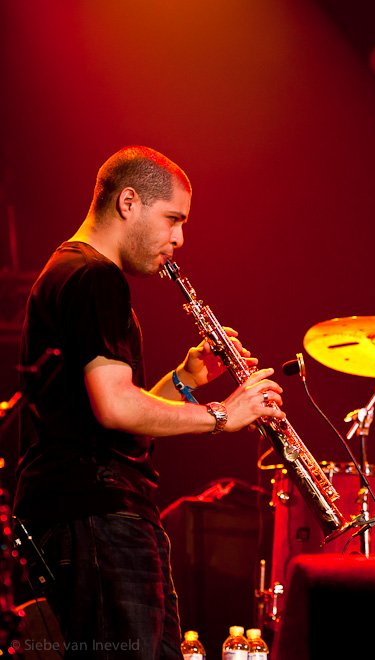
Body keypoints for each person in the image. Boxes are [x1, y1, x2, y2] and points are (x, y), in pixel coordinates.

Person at [14, 146, 285, 658]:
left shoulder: (72, 272)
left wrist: (185, 380)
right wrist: (226, 415)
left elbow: (118, 422)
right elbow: (115, 407)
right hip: (95, 516)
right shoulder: (95, 276)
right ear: (129, 202)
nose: (179, 238)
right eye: (173, 219)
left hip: (96, 516)